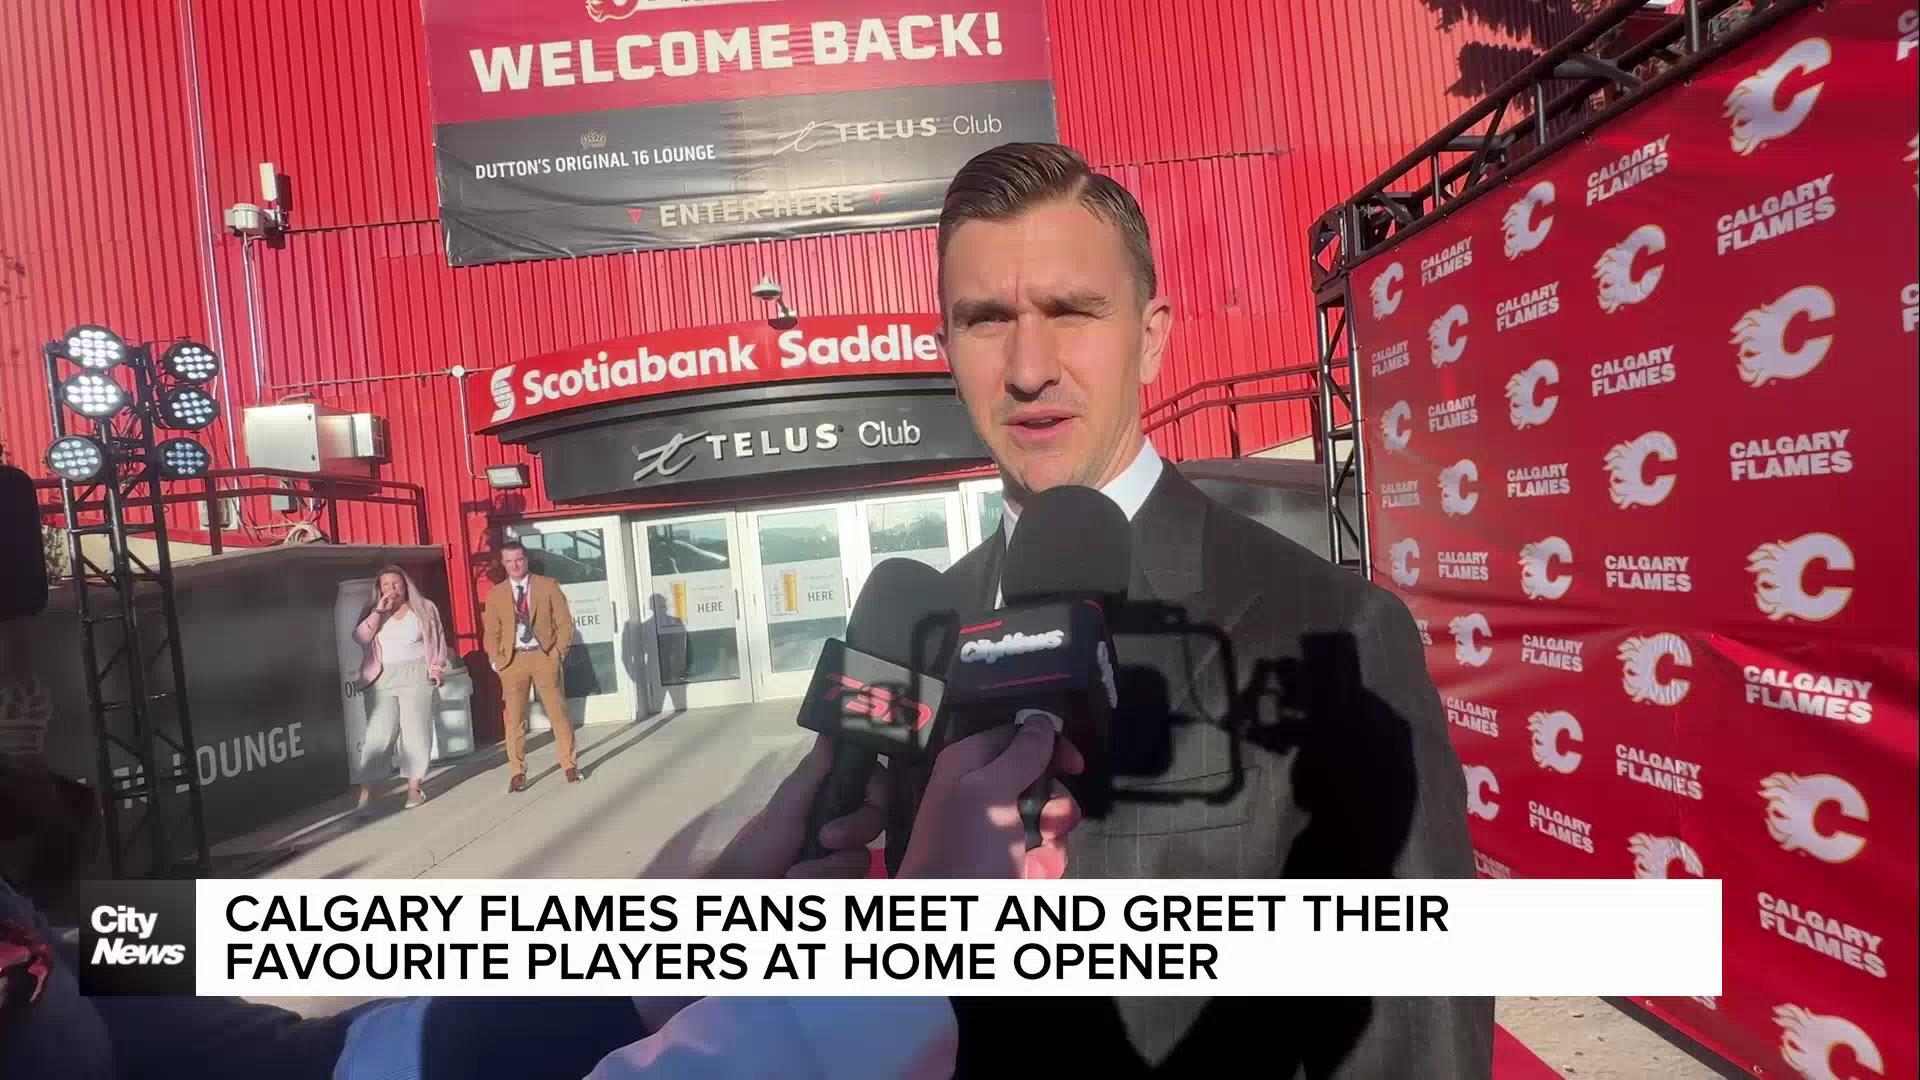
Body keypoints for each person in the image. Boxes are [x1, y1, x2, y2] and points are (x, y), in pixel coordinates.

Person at [922, 142, 1492, 1076]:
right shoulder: (924, 630)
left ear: (1151, 336)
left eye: (1072, 312)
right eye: (986, 320)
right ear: (946, 350)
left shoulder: (1332, 632)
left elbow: (1411, 1033)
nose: (1029, 368)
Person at [482, 540, 582, 792]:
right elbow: (491, 630)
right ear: (503, 565)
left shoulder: (547, 586)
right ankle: (517, 771)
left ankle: (569, 764)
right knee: (514, 718)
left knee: (557, 713)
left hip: (543, 655)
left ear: (525, 560)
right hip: (512, 660)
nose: (515, 565)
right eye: (509, 561)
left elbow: (564, 623)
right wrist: (495, 659)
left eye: (519, 559)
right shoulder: (497, 593)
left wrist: (558, 652)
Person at [350, 566, 450, 810]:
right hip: (382, 677)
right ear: (379, 588)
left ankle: (414, 787)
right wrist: (377, 612)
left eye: (396, 584)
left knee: (416, 731)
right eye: (386, 585)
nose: (392, 589)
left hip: (416, 674)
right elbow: (360, 637)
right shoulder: (373, 611)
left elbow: (437, 640)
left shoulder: (425, 608)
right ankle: (367, 791)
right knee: (379, 734)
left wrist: (436, 669)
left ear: (406, 586)